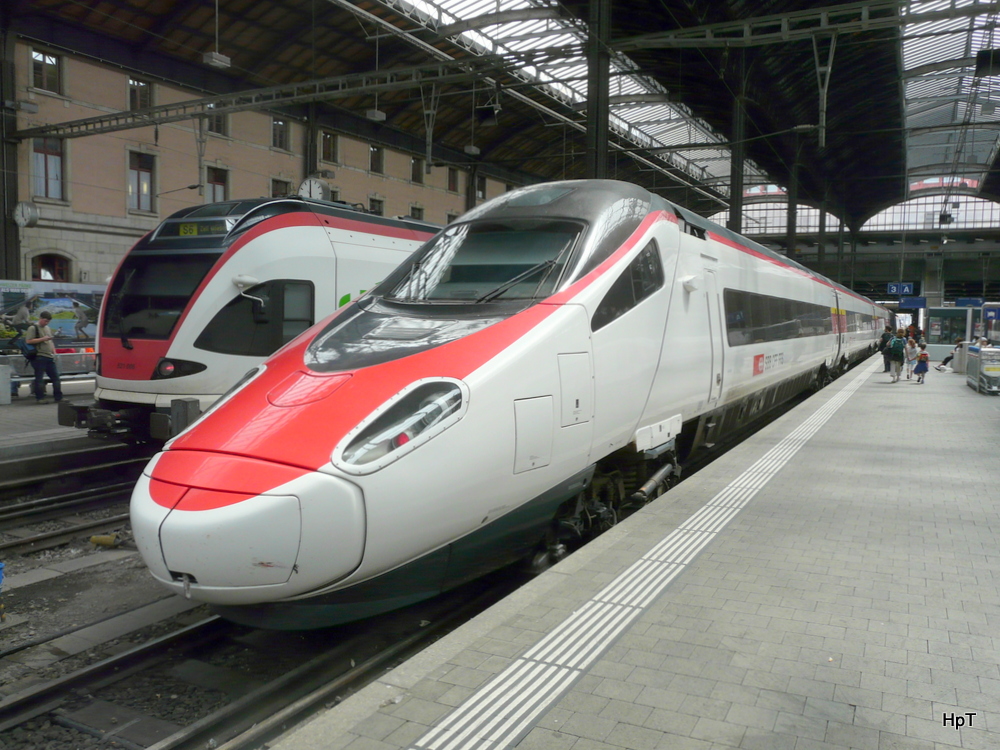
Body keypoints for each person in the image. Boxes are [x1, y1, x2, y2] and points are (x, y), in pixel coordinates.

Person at [25, 311, 62, 404]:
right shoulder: (33, 328)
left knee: (56, 377)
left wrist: (54, 351)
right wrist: (42, 339)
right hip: (39, 356)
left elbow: (50, 341)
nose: (46, 323)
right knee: (39, 378)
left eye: (48, 321)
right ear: (40, 318)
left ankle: (58, 397)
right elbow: (28, 341)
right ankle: (40, 398)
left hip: (49, 356)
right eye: (45, 321)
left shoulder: (47, 328)